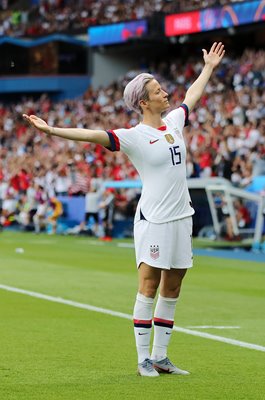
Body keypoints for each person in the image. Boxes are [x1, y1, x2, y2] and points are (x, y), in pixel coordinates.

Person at [23, 42, 225, 377]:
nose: (165, 93)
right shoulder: (133, 136)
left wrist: (209, 68)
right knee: (148, 286)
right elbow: (91, 135)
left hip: (181, 217)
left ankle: (161, 356)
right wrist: (51, 129)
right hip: (154, 219)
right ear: (143, 102)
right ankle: (142, 358)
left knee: (173, 288)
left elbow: (192, 96)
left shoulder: (175, 121)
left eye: (162, 88)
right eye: (158, 90)